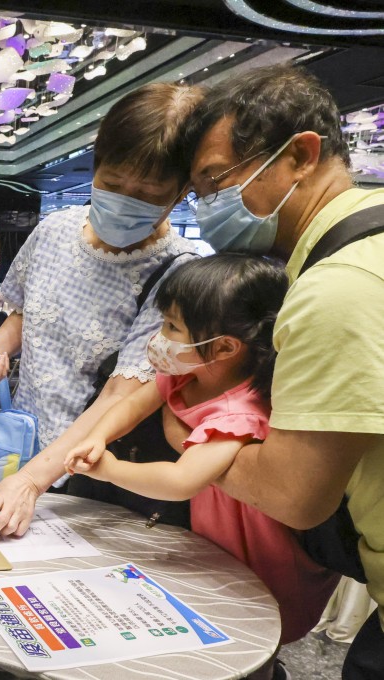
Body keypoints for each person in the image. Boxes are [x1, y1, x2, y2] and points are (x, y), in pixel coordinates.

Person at [178, 64, 384, 679]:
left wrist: (187, 434)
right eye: (198, 193)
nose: (209, 206)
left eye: (218, 179)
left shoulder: (336, 287)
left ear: (300, 156)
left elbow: (294, 495)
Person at [64, 254, 338, 674]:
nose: (160, 337)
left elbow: (181, 480)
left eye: (172, 327)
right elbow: (135, 403)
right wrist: (98, 436)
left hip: (256, 546)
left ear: (225, 346)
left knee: (246, 622)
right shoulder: (188, 372)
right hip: (210, 531)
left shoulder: (239, 412)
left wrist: (108, 469)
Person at [0, 83, 203, 539]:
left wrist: (33, 481)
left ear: (180, 193)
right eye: (112, 184)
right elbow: (26, 312)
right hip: (21, 445)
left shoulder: (178, 273)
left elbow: (121, 396)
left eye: (148, 194)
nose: (125, 201)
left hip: (89, 470)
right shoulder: (55, 230)